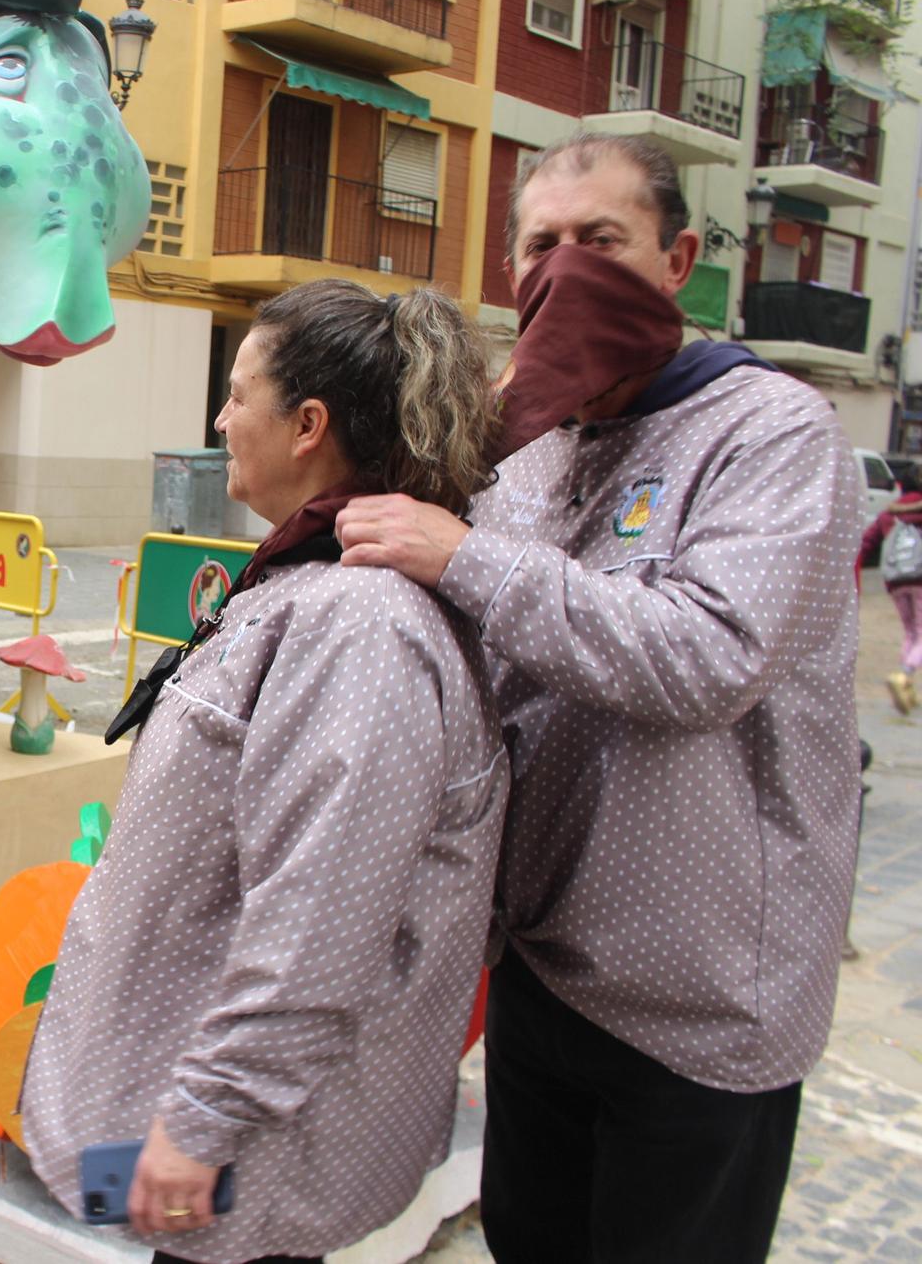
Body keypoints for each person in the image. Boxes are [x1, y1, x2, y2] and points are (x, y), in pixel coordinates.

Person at [337, 131, 861, 1264]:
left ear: (672, 260)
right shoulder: (524, 441)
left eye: (600, 242)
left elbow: (705, 656)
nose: (563, 269)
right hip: (539, 965)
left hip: (702, 994)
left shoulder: (771, 430)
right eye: (539, 245)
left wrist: (462, 558)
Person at [18, 280, 509, 1264]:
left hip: (251, 1146)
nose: (218, 418)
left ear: (306, 425)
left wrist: (199, 1123)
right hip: (216, 1131)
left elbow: (319, 914)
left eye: (238, 394)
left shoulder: (359, 628)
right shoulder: (309, 588)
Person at [859, 461, 922, 712]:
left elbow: (867, 542)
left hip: (895, 580)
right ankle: (904, 675)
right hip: (920, 578)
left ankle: (905, 686)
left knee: (911, 632)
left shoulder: (889, 513)